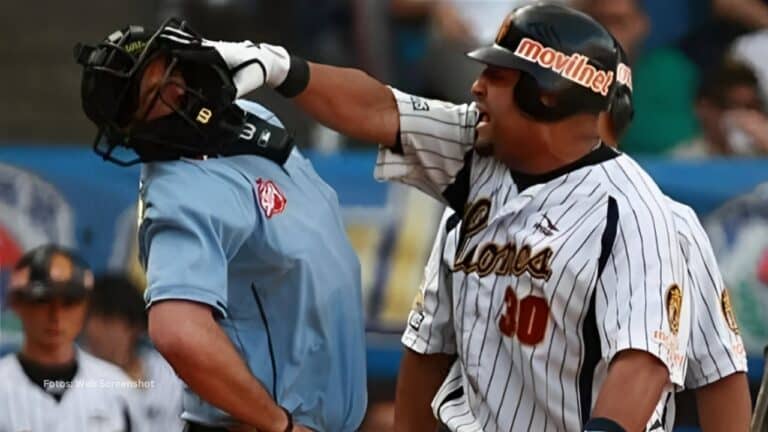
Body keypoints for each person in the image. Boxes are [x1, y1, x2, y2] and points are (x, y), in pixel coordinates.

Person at [167, 3, 693, 431]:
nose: (476, 86)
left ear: (548, 94)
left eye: (498, 75)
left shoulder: (633, 211)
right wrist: (281, 67)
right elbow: (381, 110)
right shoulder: (480, 148)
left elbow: (641, 367)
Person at [73, 19, 367, 432]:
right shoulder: (178, 191)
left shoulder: (248, 114)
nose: (177, 88)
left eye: (171, 70)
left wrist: (279, 65)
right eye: (154, 94)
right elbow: (177, 332)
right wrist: (277, 424)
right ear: (133, 127)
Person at [0, 245, 145, 432]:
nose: (56, 315)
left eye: (69, 302)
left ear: (86, 307)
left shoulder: (117, 388)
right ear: (17, 303)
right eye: (43, 300)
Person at [82, 273, 185, 432]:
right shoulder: (80, 380)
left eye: (106, 320)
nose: (94, 330)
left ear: (134, 326)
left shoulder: (168, 374)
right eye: (89, 320)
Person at [673, 59, 768, 158]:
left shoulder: (761, 155)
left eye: (750, 106)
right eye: (731, 106)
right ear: (703, 108)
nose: (742, 117)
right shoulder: (682, 160)